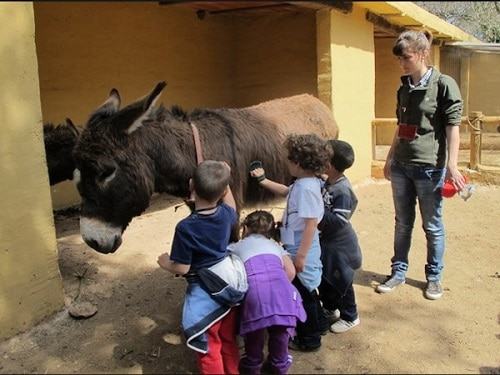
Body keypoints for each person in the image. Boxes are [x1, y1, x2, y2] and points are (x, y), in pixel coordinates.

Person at [376, 30, 465, 300]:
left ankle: (434, 277)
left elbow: (453, 128)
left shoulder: (444, 84)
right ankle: (398, 272)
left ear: (423, 54)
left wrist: (453, 164)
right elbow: (400, 127)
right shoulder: (404, 88)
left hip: (429, 167)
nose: (402, 63)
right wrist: (390, 157)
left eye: (406, 58)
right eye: (400, 59)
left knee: (432, 226)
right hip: (402, 165)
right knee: (402, 223)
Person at [157, 160, 241, 374]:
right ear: (223, 192)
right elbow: (231, 204)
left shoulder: (186, 228)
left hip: (206, 290)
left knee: (209, 345)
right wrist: (227, 180)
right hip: (229, 282)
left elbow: (182, 268)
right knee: (227, 338)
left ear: (191, 184)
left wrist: (165, 262)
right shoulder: (226, 215)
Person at [249, 133, 330, 352]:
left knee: (304, 293)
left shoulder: (306, 188)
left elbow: (311, 224)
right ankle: (321, 323)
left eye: (288, 159)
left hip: (301, 249)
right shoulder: (304, 183)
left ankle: (310, 338)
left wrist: (300, 258)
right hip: (297, 246)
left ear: (298, 163)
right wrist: (263, 180)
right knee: (308, 290)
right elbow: (287, 191)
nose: (286, 163)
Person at [228, 210, 306, 375]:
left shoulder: (235, 247)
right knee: (280, 332)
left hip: (255, 294)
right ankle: (279, 364)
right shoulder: (275, 246)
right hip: (283, 294)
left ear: (245, 228)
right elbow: (291, 272)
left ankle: (252, 364)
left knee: (254, 333)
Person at [318, 139, 362, 334]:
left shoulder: (342, 190)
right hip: (327, 243)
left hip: (341, 247)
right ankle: (330, 308)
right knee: (326, 278)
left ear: (329, 164)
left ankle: (350, 316)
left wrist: (316, 210)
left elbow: (340, 221)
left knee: (342, 282)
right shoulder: (328, 181)